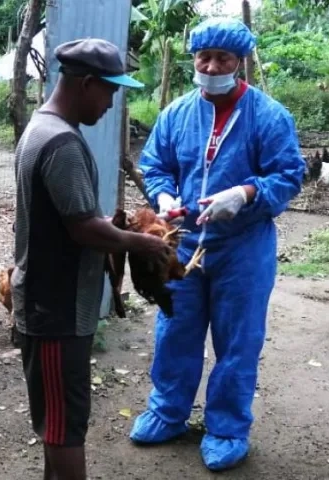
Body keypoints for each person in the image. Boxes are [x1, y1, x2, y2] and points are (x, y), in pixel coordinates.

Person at [128, 17, 306, 471]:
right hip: (181, 245)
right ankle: (168, 411)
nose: (210, 66)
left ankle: (227, 427)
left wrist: (245, 194)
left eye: (222, 58)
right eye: (203, 57)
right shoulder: (175, 114)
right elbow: (155, 165)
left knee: (238, 340)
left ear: (239, 61)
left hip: (243, 249)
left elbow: (288, 176)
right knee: (175, 330)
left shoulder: (268, 116)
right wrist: (164, 195)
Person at [11, 38, 171, 480]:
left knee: (59, 420)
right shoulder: (61, 142)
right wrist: (142, 243)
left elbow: (68, 217)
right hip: (55, 307)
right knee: (65, 426)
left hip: (51, 302)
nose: (112, 102)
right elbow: (82, 229)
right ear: (85, 84)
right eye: (110, 90)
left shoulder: (42, 128)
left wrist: (113, 225)